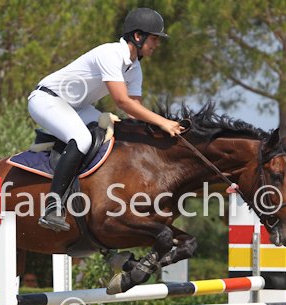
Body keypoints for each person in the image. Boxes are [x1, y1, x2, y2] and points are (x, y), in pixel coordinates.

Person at [28, 7, 185, 232]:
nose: (157, 44)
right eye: (154, 38)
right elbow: (122, 101)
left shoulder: (134, 68)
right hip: (47, 99)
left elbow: (135, 112)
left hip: (78, 107)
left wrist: (160, 135)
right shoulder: (110, 54)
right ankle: (53, 205)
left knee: (118, 132)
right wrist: (162, 122)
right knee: (82, 139)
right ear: (138, 36)